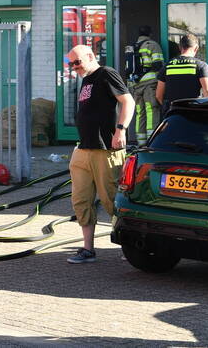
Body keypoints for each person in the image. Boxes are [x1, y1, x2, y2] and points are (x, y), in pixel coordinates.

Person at [65, 44, 135, 264]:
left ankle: (129, 248)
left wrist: (120, 130)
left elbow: (128, 101)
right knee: (81, 199)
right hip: (84, 148)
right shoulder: (86, 79)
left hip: (106, 150)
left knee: (112, 200)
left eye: (77, 62)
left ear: (90, 56)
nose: (74, 67)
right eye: (71, 63)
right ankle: (88, 249)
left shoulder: (106, 73)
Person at [155, 34, 208, 113]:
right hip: (192, 113)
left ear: (180, 47)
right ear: (196, 48)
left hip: (173, 114)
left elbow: (158, 95)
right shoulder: (201, 66)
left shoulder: (167, 66)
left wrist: (168, 108)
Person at [130, 25, 163, 144]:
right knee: (151, 110)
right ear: (150, 33)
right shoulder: (152, 45)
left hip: (135, 85)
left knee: (140, 113)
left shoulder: (132, 47)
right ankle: (152, 141)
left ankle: (141, 142)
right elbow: (159, 65)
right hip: (149, 84)